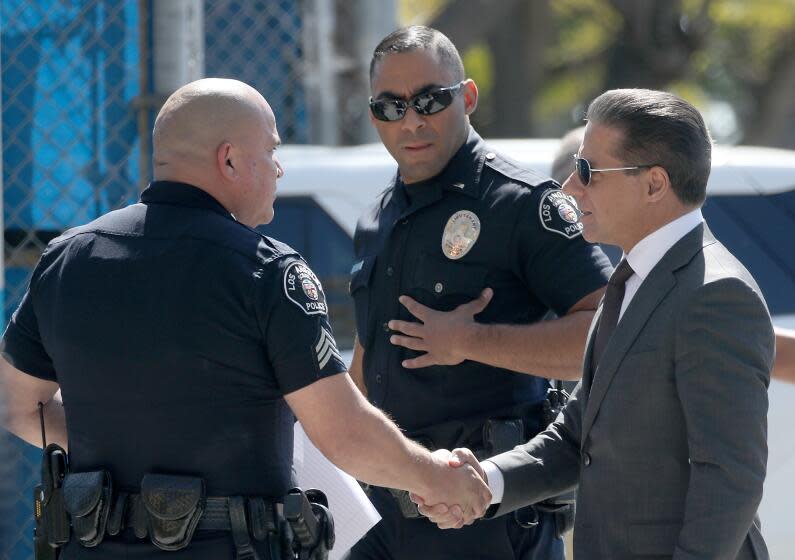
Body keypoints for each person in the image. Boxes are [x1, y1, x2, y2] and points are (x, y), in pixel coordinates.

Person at [0, 78, 491, 560]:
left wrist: (111, 438)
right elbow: (343, 433)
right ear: (230, 159)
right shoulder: (268, 272)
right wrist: (437, 476)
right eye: (271, 150)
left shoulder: (67, 259)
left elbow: (18, 408)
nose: (279, 168)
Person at [423, 89, 775, 560]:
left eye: (588, 171)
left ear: (654, 184)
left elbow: (732, 478)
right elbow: (576, 438)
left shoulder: (715, 294)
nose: (569, 187)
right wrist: (484, 482)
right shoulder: (630, 282)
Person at [347, 26, 612, 559]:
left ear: (467, 97)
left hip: (485, 512)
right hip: (383, 513)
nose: (412, 119)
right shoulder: (378, 216)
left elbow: (609, 334)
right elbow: (369, 350)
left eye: (429, 99)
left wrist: (471, 341)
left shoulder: (522, 204)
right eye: (390, 106)